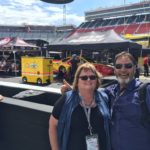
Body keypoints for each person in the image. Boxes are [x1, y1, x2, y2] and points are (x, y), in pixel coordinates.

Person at [61, 51, 150, 150]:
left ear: (135, 68)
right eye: (119, 66)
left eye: (128, 66)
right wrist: (73, 90)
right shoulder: (110, 92)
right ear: (115, 70)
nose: (123, 70)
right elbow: (91, 91)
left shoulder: (146, 91)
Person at [49, 62, 111, 150]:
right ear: (77, 81)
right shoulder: (66, 99)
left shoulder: (104, 97)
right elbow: (52, 125)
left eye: (92, 77)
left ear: (97, 80)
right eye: (84, 78)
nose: (88, 80)